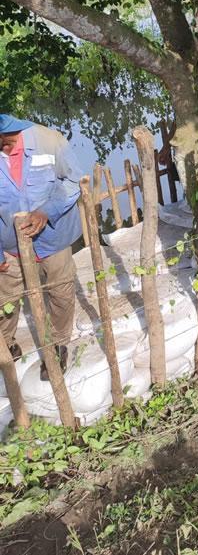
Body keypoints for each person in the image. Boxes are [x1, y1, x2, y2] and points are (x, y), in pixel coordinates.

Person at [0, 115, 86, 380]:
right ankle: (6, 344)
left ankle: (58, 346)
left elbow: (74, 181)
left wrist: (47, 211)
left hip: (53, 237)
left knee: (60, 292)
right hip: (8, 243)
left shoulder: (50, 141)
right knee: (5, 299)